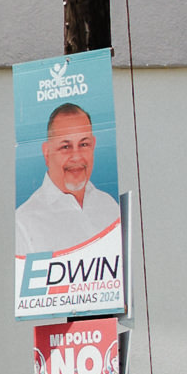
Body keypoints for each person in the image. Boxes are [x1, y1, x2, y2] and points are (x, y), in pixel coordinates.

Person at [13, 100, 121, 262]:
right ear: (47, 152)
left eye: (84, 144)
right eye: (65, 146)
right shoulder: (24, 222)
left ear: (93, 146)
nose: (76, 156)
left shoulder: (109, 205)